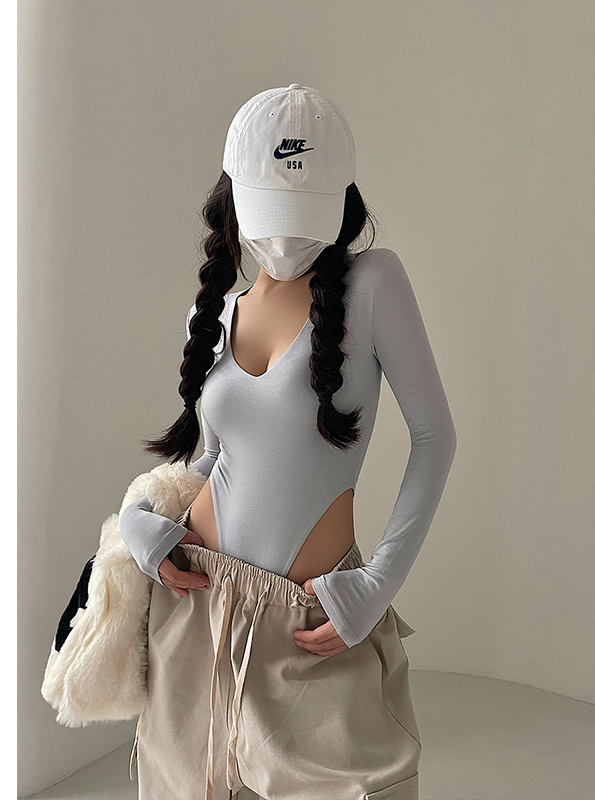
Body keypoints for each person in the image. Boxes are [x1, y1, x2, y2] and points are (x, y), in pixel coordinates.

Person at [119, 83, 457, 800]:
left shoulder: (373, 283)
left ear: (343, 201)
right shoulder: (215, 313)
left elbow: (434, 436)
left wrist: (378, 585)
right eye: (270, 212)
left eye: (306, 213)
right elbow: (219, 459)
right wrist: (137, 524)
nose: (285, 238)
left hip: (308, 617)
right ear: (232, 199)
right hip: (193, 600)